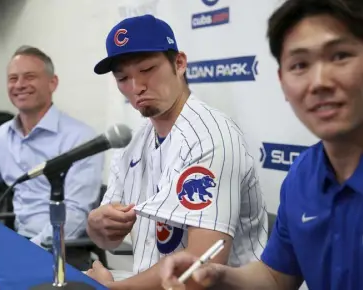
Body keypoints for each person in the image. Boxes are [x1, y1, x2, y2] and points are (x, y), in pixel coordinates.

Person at [160, 0, 363, 289]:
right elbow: (276, 276)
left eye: (340, 56)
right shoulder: (303, 174)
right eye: (300, 65)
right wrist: (217, 274)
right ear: (282, 82)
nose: (319, 82)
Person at [85, 14, 268, 289]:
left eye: (147, 69)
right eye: (123, 77)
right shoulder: (135, 143)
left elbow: (201, 268)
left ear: (179, 63)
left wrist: (110, 288)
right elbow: (109, 240)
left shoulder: (211, 136)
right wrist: (95, 227)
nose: (136, 87)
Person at [0, 46, 104, 254]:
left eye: (29, 77)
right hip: (18, 240)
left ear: (52, 83)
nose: (19, 85)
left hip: (62, 250)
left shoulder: (81, 138)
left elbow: (75, 214)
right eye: (12, 78)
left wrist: (27, 249)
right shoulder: (2, 135)